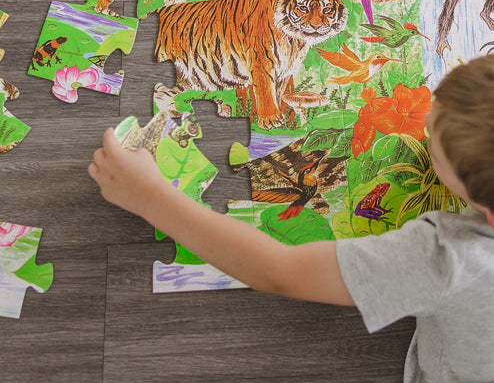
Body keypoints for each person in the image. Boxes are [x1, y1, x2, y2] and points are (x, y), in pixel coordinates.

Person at [88, 56, 494, 383]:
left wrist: (149, 196)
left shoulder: (448, 259)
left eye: (434, 146)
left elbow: (279, 270)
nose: (423, 122)